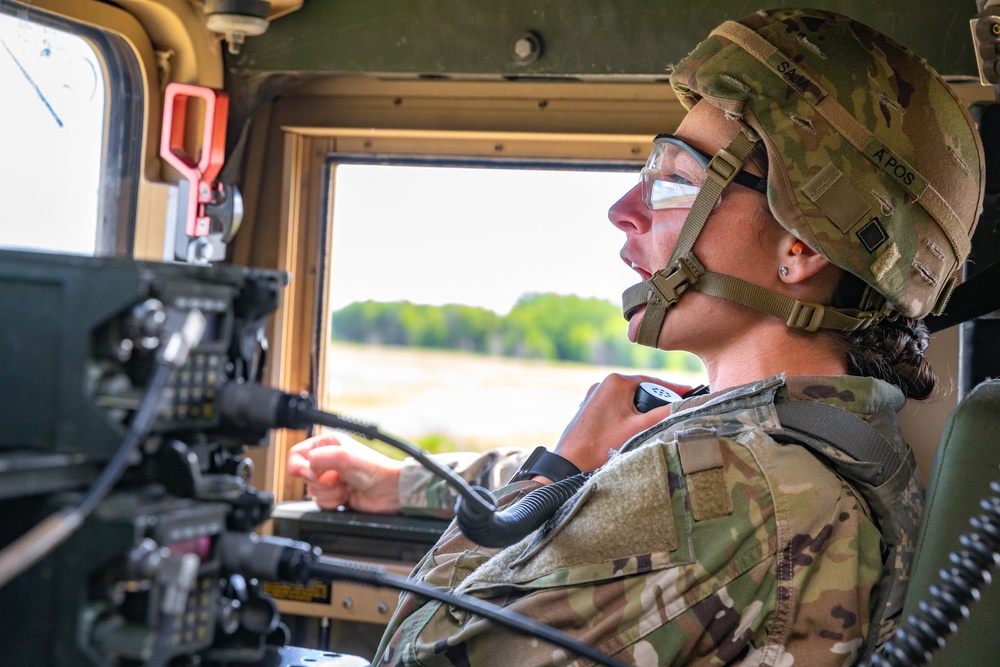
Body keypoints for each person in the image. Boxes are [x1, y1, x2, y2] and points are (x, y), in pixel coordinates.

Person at [287, 8, 984, 665]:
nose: (625, 210)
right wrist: (398, 482)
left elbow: (412, 652)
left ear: (801, 246)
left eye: (680, 180)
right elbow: (613, 468)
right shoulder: (822, 432)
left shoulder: (721, 488)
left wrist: (550, 473)